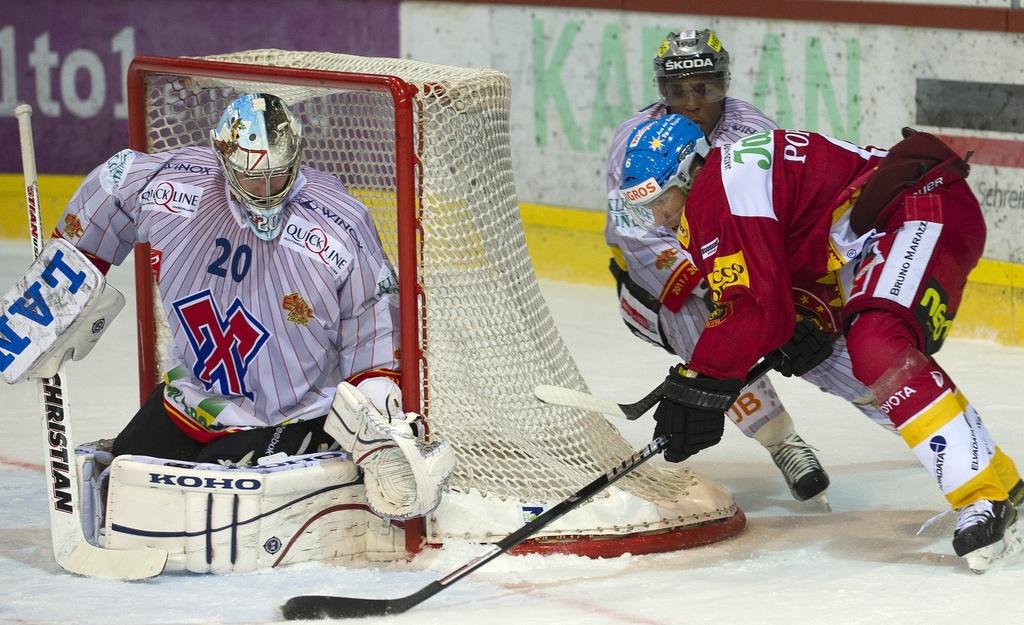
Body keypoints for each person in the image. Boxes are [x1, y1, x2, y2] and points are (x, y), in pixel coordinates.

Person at [4, 93, 454, 524]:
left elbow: (372, 327)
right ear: (224, 163)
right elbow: (116, 182)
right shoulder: (176, 189)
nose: (265, 190)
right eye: (251, 178)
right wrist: (53, 297)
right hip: (190, 399)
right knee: (120, 490)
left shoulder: (338, 224)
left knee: (204, 513)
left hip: (292, 414)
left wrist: (378, 428)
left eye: (277, 176)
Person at [618, 113, 1023, 571]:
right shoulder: (726, 183)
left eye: (660, 199)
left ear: (689, 170)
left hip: (919, 210)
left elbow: (751, 308)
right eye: (644, 207)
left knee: (876, 342)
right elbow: (801, 257)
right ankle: (1000, 480)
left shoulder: (720, 192)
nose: (658, 216)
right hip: (889, 228)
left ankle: (983, 496)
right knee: (872, 346)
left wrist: (700, 385)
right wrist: (811, 313)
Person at [606, 29, 852, 504]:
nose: (692, 101)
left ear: (724, 83)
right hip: (656, 292)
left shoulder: (753, 132)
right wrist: (721, 281)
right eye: (679, 90)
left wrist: (773, 288)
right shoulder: (635, 141)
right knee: (707, 329)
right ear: (662, 91)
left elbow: (775, 219)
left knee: (812, 341)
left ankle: (910, 413)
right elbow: (634, 234)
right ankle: (783, 442)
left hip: (740, 270)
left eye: (704, 87)